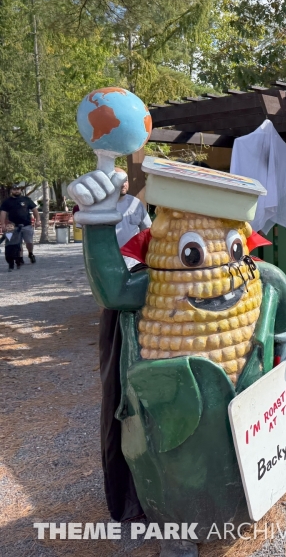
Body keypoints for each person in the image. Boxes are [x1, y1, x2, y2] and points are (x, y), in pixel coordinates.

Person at [97, 168, 151, 524]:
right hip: (119, 287)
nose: (124, 185)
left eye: (125, 181)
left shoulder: (136, 206)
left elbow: (148, 233)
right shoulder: (99, 210)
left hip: (138, 272)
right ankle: (131, 497)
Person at [0, 183, 39, 267]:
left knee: (29, 242)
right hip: (14, 226)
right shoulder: (7, 201)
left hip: (27, 225)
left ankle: (30, 253)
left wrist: (38, 220)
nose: (16, 191)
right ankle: (20, 258)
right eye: (14, 189)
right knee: (17, 243)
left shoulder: (26, 199)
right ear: (11, 191)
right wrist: (2, 224)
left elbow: (35, 210)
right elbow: (3, 213)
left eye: (18, 189)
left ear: (20, 190)